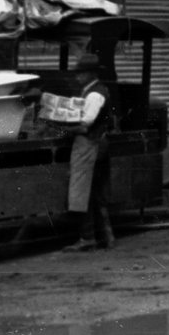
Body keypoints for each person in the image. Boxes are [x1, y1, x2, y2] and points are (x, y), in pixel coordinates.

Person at [55, 49, 115, 251]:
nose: (77, 76)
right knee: (96, 193)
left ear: (90, 73)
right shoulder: (94, 90)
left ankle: (87, 237)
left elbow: (85, 124)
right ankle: (106, 237)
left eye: (80, 73)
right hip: (96, 143)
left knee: (83, 193)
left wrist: (63, 128)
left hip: (90, 144)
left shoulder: (94, 94)